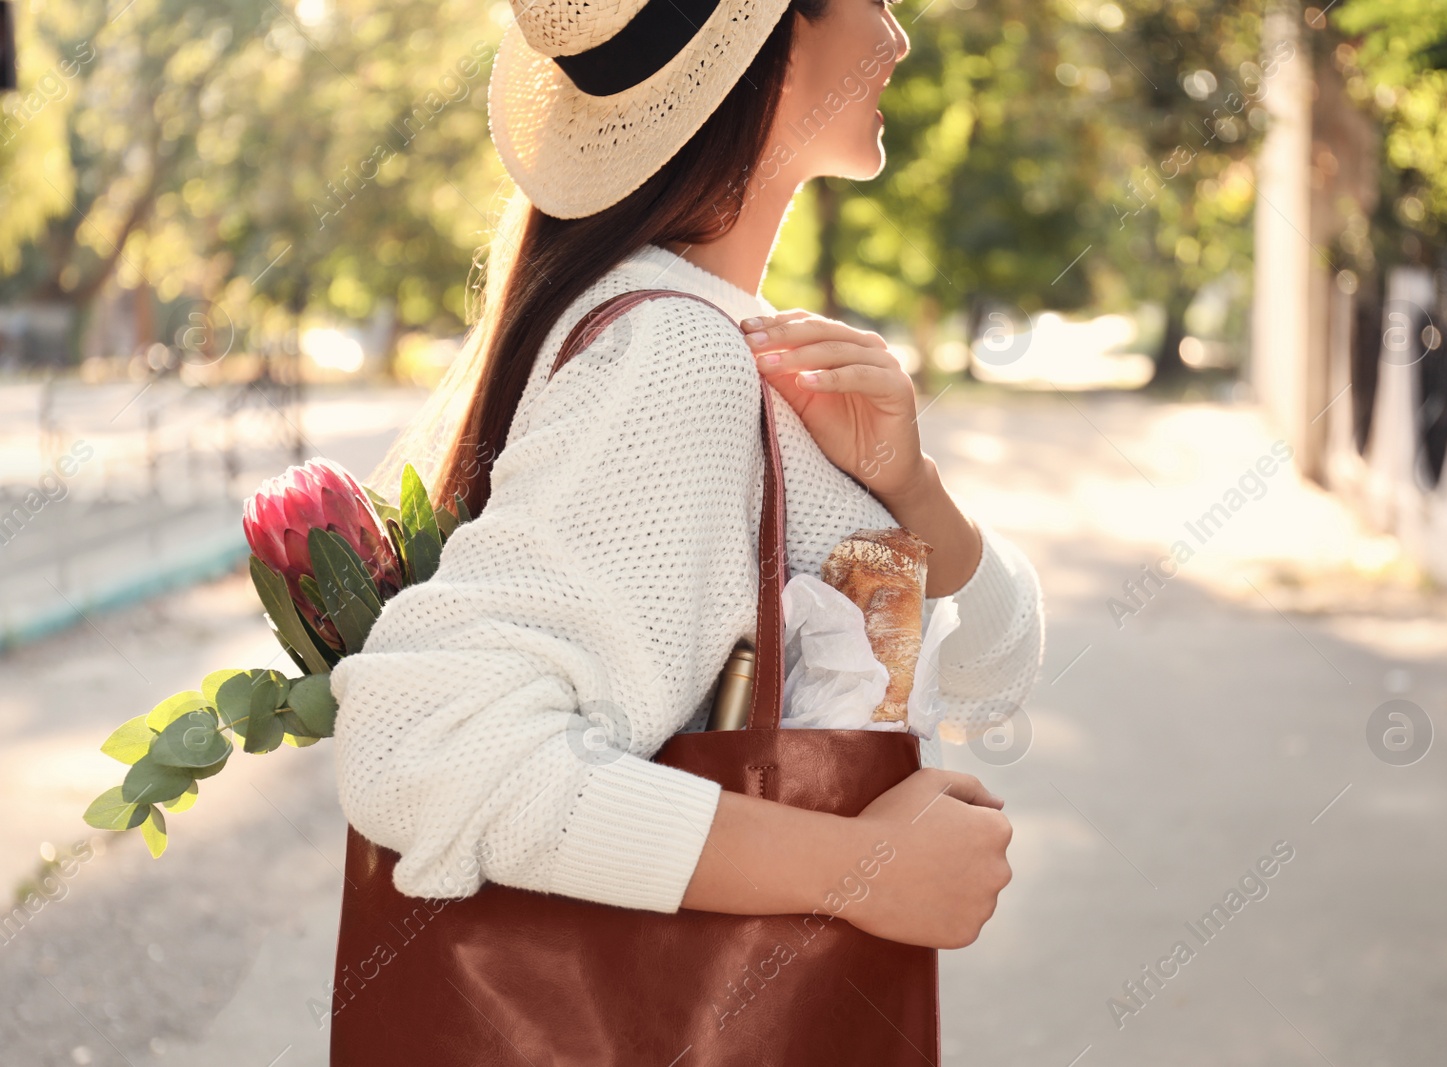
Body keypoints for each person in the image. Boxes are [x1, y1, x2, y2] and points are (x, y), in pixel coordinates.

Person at [330, 0, 1045, 959]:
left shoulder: (715, 340)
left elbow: (986, 671)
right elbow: (425, 747)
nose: (898, 37)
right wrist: (856, 868)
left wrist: (907, 486)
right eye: (874, 1)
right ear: (774, 44)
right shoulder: (676, 351)